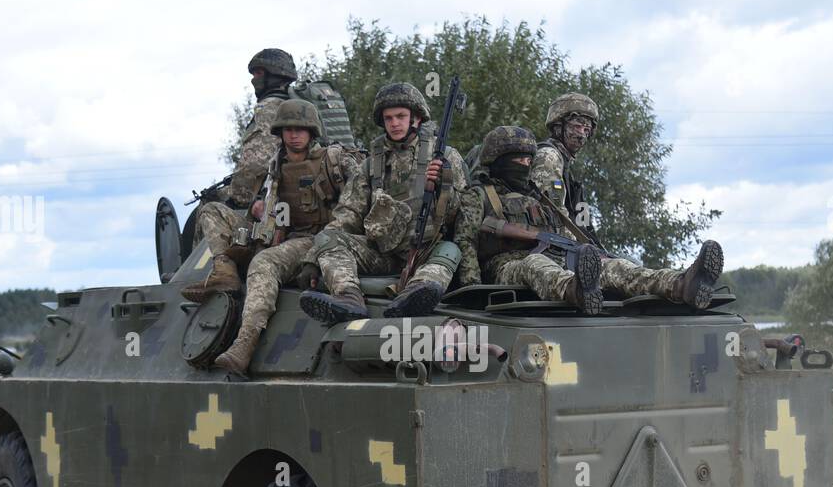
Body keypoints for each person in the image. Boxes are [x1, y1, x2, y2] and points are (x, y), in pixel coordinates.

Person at [460, 126, 724, 313]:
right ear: (498, 161)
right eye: (519, 158)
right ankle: (575, 291)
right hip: (505, 268)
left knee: (615, 267)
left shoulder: (541, 198)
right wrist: (472, 291)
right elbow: (465, 241)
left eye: (530, 159)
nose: (526, 164)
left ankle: (681, 284)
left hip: (555, 258)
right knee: (534, 262)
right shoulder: (480, 195)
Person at [194, 100, 359, 374]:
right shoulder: (276, 164)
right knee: (212, 211)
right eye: (287, 129)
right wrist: (258, 210)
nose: (293, 135)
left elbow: (361, 198)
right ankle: (225, 270)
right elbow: (273, 208)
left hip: (318, 238)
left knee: (264, 263)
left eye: (300, 129)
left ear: (312, 131)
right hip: (280, 232)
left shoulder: (333, 160)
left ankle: (244, 344)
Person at [297, 82, 470, 323]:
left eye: (401, 116)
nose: (394, 123)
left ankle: (416, 295)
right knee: (327, 238)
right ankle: (348, 298)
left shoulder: (445, 157)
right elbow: (348, 214)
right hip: (381, 253)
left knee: (451, 251)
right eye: (388, 118)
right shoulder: (372, 163)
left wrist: (445, 186)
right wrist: (313, 259)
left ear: (417, 119)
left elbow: (460, 217)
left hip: (427, 251)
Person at [188, 48, 298, 294]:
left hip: (277, 209)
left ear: (273, 76)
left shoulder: (270, 109)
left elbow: (252, 167)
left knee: (209, 207)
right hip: (298, 203)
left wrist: (232, 195)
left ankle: (219, 273)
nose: (253, 79)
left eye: (258, 73)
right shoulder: (304, 107)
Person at [530, 92, 598, 219]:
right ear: (558, 127)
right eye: (577, 127)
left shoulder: (564, 165)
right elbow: (553, 215)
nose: (582, 134)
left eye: (587, 130)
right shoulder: (549, 156)